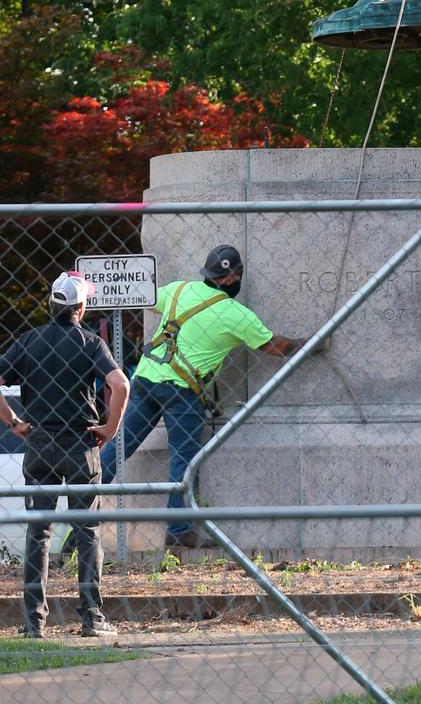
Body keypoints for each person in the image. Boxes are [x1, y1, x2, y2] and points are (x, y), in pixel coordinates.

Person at [100, 245, 300, 550]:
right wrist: (310, 343)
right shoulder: (236, 314)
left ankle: (78, 515)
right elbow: (273, 346)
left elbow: (147, 298)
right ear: (234, 278)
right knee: (183, 460)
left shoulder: (179, 290)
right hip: (181, 392)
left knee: (118, 448)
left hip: (146, 379)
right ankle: (178, 531)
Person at [0, 271, 130, 639]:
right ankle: (92, 617)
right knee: (87, 530)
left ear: (51, 303)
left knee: (38, 532)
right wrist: (110, 427)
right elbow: (120, 384)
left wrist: (14, 422)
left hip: (39, 442)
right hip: (80, 444)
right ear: (81, 307)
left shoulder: (28, 341)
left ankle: (33, 623)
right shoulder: (90, 343)